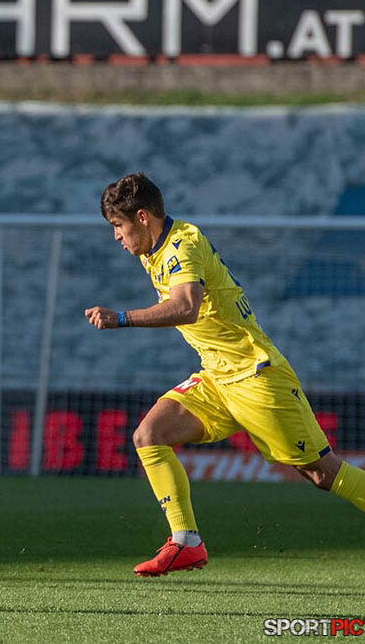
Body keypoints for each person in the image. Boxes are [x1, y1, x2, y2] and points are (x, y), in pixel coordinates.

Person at [85, 172, 365, 577]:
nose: (116, 237)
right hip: (217, 377)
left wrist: (122, 318)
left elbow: (186, 307)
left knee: (322, 473)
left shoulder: (183, 243)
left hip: (256, 376)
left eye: (118, 226)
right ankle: (186, 542)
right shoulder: (153, 251)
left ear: (142, 218)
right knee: (149, 435)